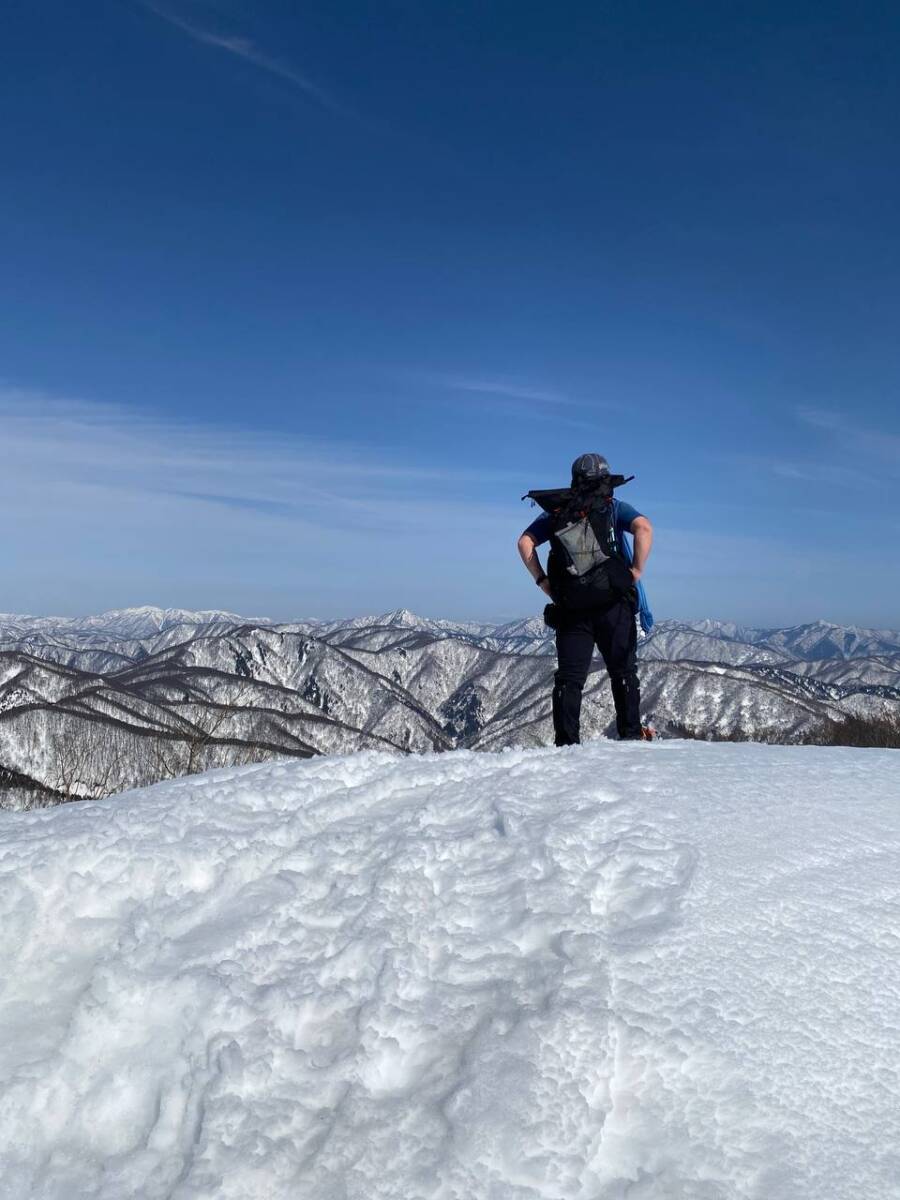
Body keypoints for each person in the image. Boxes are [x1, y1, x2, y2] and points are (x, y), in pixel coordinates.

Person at [517, 453, 654, 745]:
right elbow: (644, 528)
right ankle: (630, 735)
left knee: (570, 678)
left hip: (571, 607)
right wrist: (636, 571)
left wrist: (543, 582)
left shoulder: (557, 511)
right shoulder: (613, 507)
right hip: (614, 604)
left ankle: (566, 746)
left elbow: (524, 542)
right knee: (623, 672)